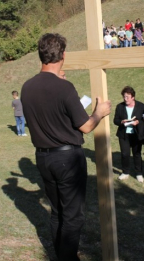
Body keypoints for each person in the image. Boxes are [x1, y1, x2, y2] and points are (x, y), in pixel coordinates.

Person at [21, 33, 111, 261]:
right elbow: (86, 126)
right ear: (63, 55)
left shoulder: (27, 87)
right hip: (67, 159)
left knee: (57, 212)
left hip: (43, 158)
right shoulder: (64, 88)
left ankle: (62, 256)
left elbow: (49, 112)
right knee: (73, 216)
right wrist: (99, 113)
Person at [114, 86, 144, 182]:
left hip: (136, 134)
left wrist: (138, 122)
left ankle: (139, 173)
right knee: (125, 154)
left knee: (137, 154)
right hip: (124, 134)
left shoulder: (141, 106)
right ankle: (125, 172)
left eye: (127, 97)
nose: (125, 99)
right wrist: (122, 122)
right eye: (124, 97)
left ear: (133, 97)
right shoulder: (120, 106)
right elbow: (115, 120)